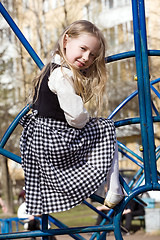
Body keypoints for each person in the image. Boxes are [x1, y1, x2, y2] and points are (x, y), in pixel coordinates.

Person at [19, 20, 124, 216]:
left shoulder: (50, 68)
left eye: (92, 55)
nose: (86, 58)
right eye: (83, 49)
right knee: (106, 127)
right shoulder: (62, 75)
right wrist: (87, 116)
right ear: (66, 40)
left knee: (99, 131)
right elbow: (76, 118)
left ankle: (43, 202)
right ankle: (115, 188)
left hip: (38, 142)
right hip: (56, 141)